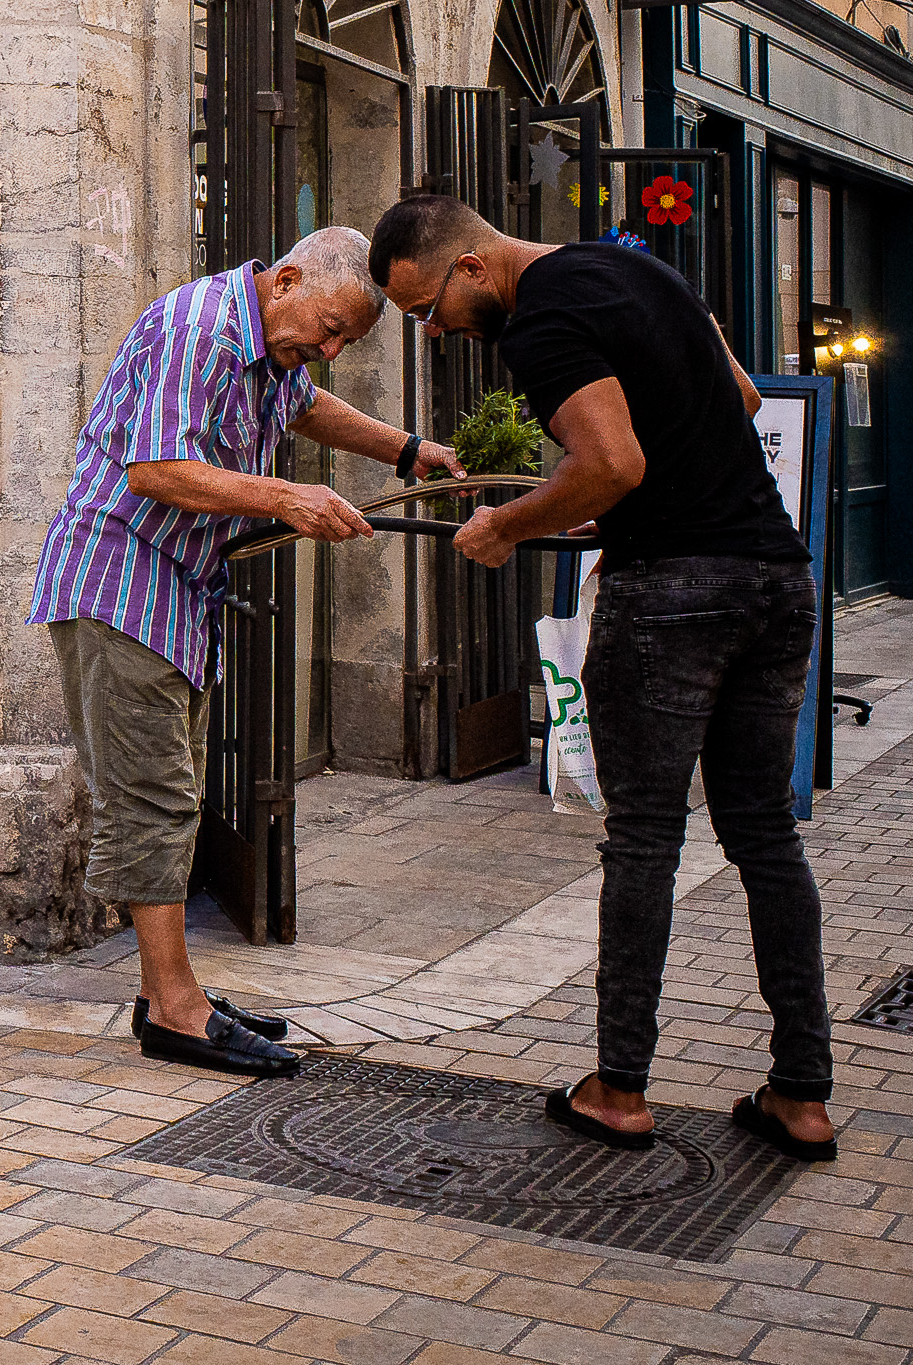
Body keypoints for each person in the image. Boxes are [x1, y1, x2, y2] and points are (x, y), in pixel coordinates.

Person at [368, 196, 837, 1161]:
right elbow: (741, 401)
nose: (435, 331)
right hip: (776, 580)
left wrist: (508, 524)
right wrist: (607, 511)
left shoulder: (538, 319)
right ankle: (802, 1095)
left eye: (427, 310)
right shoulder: (639, 270)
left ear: (469, 266)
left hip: (671, 598)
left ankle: (619, 1088)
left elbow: (614, 461)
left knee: (646, 839)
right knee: (764, 833)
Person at [29, 227, 465, 1077]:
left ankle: (165, 993)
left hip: (176, 591)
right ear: (289, 278)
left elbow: (304, 405)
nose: (329, 351)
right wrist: (286, 495)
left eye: (345, 343)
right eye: (330, 330)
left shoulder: (272, 343)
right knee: (152, 797)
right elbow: (156, 469)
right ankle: (176, 1008)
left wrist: (407, 450)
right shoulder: (199, 329)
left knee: (174, 792)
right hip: (119, 581)